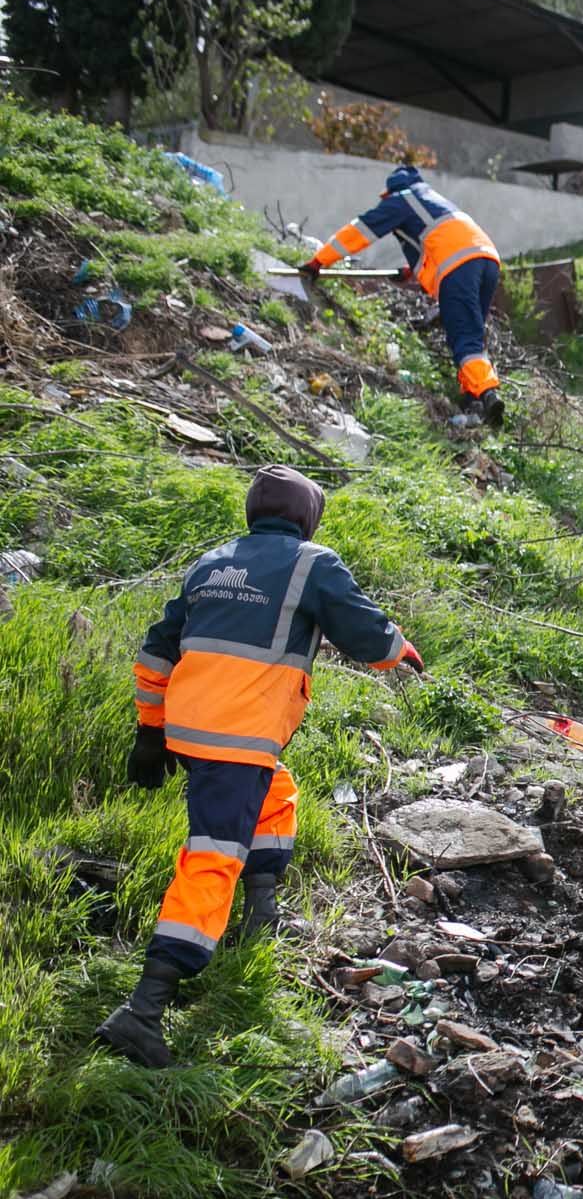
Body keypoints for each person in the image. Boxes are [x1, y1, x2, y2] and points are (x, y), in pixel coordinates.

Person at [97, 466, 422, 1069]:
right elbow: (369, 639)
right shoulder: (312, 563)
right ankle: (143, 1010)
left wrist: (151, 731)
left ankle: (262, 912)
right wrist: (399, 648)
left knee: (274, 795)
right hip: (236, 739)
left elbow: (155, 650)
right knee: (212, 857)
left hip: (195, 731)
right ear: (307, 517)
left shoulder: (212, 562)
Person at [299, 164, 505, 429]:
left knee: (465, 338)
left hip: (459, 266)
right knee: (472, 334)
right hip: (487, 260)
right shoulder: (432, 200)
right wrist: (411, 272)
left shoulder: (401, 200)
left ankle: (488, 393)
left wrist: (319, 260)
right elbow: (437, 243)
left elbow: (360, 231)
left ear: (391, 191)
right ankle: (473, 398)